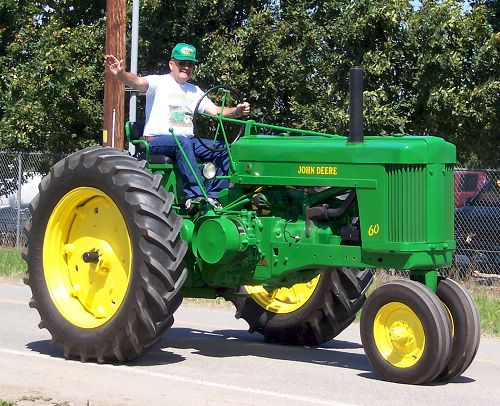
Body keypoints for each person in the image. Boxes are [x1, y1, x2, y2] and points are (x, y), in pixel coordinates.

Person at [104, 42, 250, 209]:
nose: (186, 67)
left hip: (188, 141)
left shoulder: (194, 91)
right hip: (156, 141)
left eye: (190, 64)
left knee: (226, 149)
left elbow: (216, 111)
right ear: (171, 64)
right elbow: (136, 82)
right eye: (182, 63)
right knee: (182, 141)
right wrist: (121, 74)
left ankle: (214, 196)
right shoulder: (158, 82)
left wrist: (236, 111)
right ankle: (195, 195)